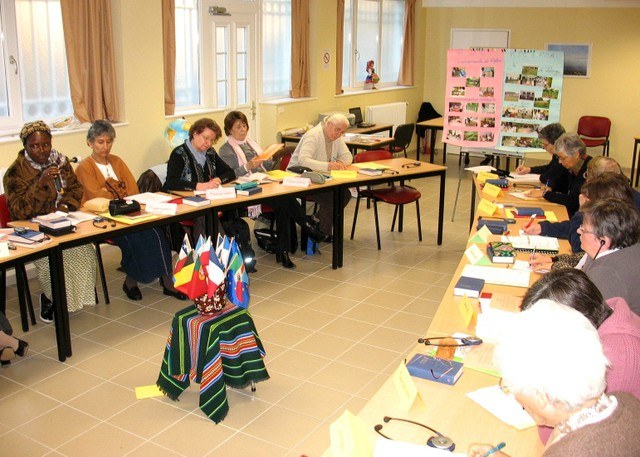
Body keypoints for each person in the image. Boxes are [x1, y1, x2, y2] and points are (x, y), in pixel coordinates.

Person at [468, 299, 640, 457]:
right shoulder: (627, 403)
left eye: (510, 387)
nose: (515, 398)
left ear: (540, 396)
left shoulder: (568, 452)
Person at [76, 120, 187, 301]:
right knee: (139, 237)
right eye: (100, 142)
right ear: (89, 142)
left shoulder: (116, 161)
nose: (105, 146)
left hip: (128, 211)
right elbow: (97, 196)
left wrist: (114, 191)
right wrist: (119, 191)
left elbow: (133, 189)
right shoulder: (84, 167)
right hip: (105, 218)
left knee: (156, 233)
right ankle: (131, 282)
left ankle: (167, 281)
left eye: (109, 141)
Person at [3, 121, 98, 321]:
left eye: (46, 144)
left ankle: (67, 301)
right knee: (51, 262)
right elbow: (19, 210)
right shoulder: (15, 173)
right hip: (32, 227)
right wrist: (40, 183)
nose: (42, 150)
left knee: (85, 252)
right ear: (25, 146)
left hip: (62, 222)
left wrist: (65, 207)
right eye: (35, 146)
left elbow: (75, 189)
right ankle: (51, 298)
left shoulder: (61, 162)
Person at [218, 111, 327, 269]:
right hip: (244, 192)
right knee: (285, 202)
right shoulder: (226, 150)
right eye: (238, 127)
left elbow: (266, 168)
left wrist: (269, 159)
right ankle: (307, 228)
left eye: (244, 125)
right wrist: (248, 166)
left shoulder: (251, 143)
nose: (243, 129)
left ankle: (285, 250)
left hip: (264, 184)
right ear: (229, 130)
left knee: (284, 202)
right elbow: (230, 175)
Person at [163, 118, 257, 270]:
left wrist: (219, 179)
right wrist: (199, 186)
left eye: (212, 140)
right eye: (205, 138)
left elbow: (229, 172)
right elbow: (171, 183)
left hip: (210, 201)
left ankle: (224, 260)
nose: (208, 143)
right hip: (187, 204)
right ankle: (215, 262)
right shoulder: (179, 154)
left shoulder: (211, 153)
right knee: (206, 217)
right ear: (195, 133)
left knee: (227, 215)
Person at [526, 172, 635, 255]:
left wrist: (582, 211)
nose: (580, 230)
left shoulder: (613, 230)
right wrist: (544, 228)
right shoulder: (619, 219)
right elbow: (576, 228)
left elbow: (578, 248)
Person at [287, 113, 353, 240]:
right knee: (331, 198)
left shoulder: (337, 137)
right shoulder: (313, 135)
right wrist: (328, 166)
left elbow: (348, 156)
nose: (339, 134)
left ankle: (315, 220)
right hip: (301, 178)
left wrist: (340, 162)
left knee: (345, 194)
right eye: (337, 130)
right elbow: (303, 161)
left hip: (322, 178)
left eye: (342, 132)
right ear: (328, 124)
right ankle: (323, 232)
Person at [577, 198, 640, 316]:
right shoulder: (623, 246)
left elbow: (588, 320)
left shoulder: (607, 275)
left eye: (583, 229)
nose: (578, 231)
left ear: (603, 241)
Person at [526, 133, 592, 217]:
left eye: (562, 158)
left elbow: (573, 201)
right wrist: (551, 187)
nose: (560, 162)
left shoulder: (590, 170)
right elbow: (562, 184)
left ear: (576, 154)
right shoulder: (572, 165)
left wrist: (545, 194)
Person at [515, 123, 569, 193]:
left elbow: (545, 177)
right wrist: (529, 169)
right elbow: (549, 168)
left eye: (545, 144)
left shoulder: (563, 159)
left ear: (556, 143)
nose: (543, 147)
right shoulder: (556, 156)